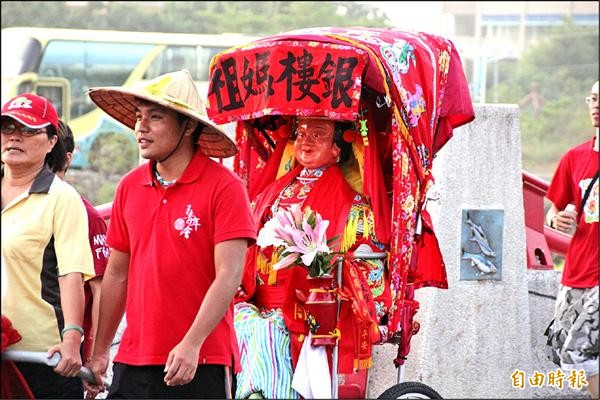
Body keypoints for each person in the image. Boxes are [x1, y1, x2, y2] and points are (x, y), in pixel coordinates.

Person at [83, 70, 256, 399]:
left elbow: (229, 275)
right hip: (133, 357)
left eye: (155, 117)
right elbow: (117, 274)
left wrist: (192, 343)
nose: (141, 127)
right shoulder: (129, 187)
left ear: (188, 126)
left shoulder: (225, 187)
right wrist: (101, 351)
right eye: (138, 116)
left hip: (200, 359)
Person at [234, 116, 391, 399]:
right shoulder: (270, 194)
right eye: (301, 133)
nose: (306, 140)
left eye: (318, 135)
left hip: (311, 309)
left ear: (337, 148)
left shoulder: (354, 207)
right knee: (237, 320)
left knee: (272, 332)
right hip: (258, 302)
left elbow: (369, 266)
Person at [1, 93, 95, 399]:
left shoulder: (62, 199)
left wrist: (72, 338)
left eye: (29, 130)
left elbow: (71, 275)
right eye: (7, 128)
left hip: (41, 358)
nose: (15, 137)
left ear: (52, 141)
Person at [545, 80, 599, 399]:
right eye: (592, 98)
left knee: (577, 354)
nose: (596, 105)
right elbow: (553, 212)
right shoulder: (574, 157)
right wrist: (557, 219)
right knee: (560, 351)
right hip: (574, 273)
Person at [54, 120, 110, 367]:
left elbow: (101, 290)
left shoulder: (87, 215)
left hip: (67, 352)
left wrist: (93, 355)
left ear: (66, 159)